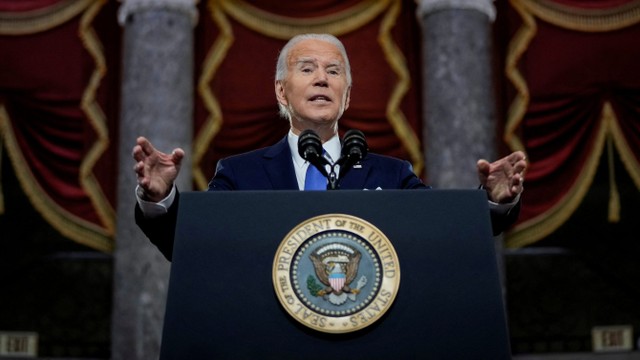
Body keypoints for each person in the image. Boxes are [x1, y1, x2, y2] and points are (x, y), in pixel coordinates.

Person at [133, 33, 527, 261]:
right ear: (281, 90)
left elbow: (442, 236)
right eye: (307, 69)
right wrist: (161, 198)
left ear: (347, 96)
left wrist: (492, 203)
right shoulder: (240, 174)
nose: (322, 79)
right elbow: (196, 250)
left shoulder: (393, 174)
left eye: (333, 71)